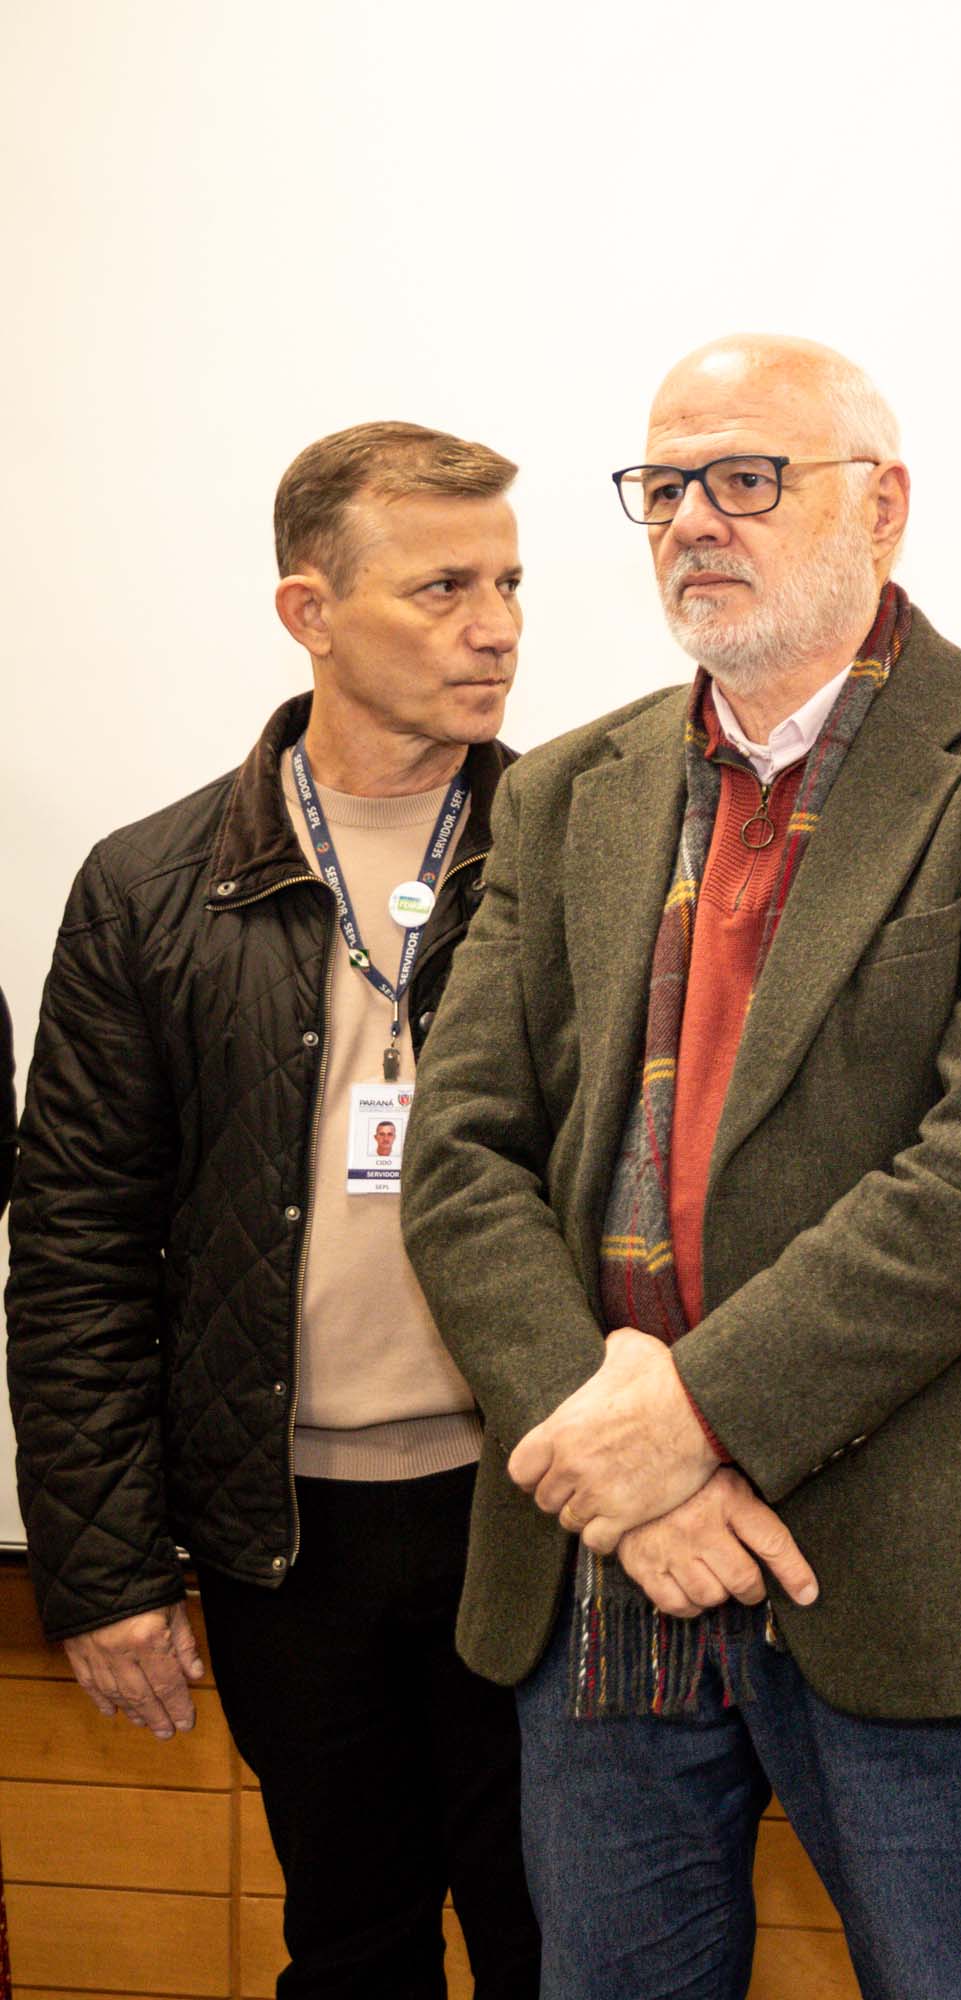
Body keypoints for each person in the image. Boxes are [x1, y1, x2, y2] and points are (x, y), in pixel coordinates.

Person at [400, 334, 961, 2000]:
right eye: (663, 487)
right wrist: (614, 1450)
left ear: (879, 508)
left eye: (745, 479)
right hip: (608, 1562)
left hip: (913, 1552)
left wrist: (689, 1417)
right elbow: (461, 1155)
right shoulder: (562, 795)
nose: (695, 521)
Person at [7, 422, 540, 1998]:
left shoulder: (581, 846)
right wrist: (103, 1569)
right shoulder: (151, 882)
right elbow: (78, 1247)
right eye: (442, 587)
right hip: (277, 1532)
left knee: (561, 1941)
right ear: (308, 613)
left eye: (510, 581)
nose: (496, 626)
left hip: (525, 1512)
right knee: (351, 1939)